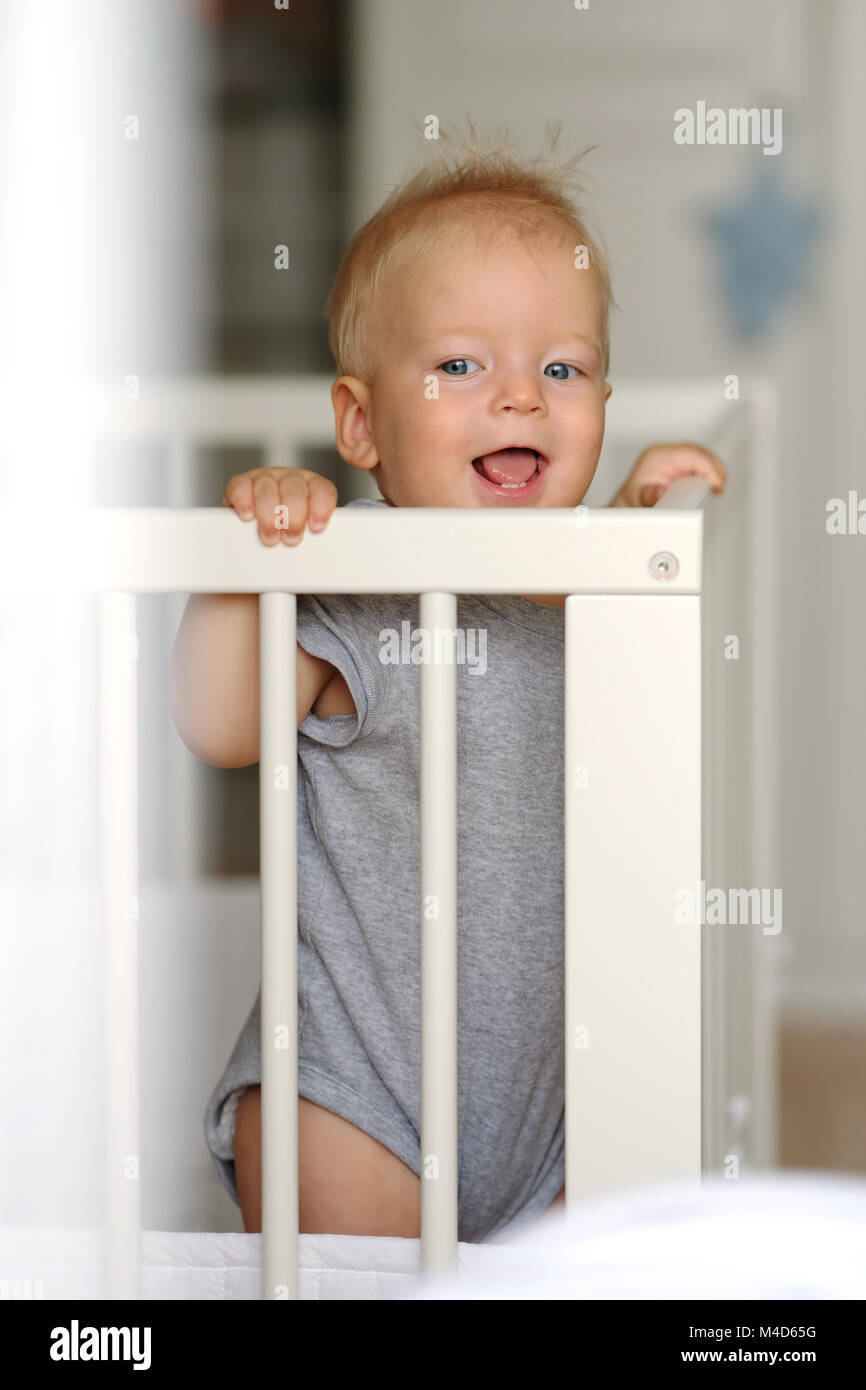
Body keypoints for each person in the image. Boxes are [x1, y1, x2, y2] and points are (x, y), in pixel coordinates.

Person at [171, 125, 725, 1244]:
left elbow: (618, 640)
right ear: (361, 425)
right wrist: (243, 566)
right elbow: (221, 724)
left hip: (550, 1103)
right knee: (345, 1276)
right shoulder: (354, 583)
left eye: (559, 369)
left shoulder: (581, 585)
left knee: (610, 1256)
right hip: (353, 1089)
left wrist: (625, 533)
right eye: (461, 365)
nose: (519, 399)